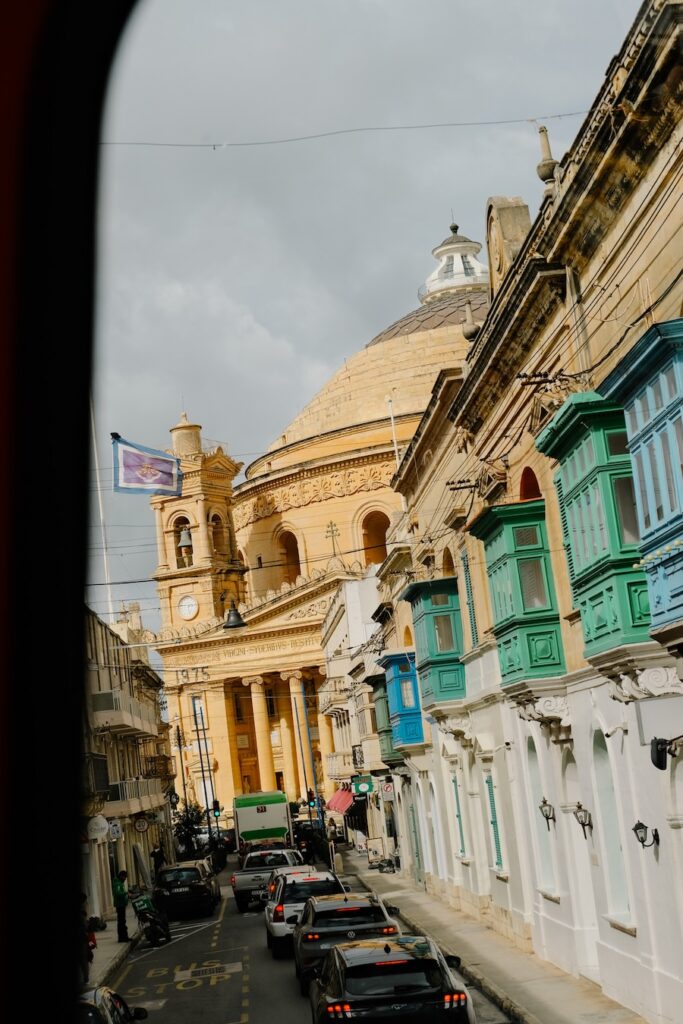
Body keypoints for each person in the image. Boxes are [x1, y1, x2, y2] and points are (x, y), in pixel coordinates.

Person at [113, 870, 129, 943]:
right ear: (121, 876)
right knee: (121, 922)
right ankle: (122, 938)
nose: (125, 879)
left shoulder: (120, 883)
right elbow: (118, 893)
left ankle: (124, 936)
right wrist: (125, 893)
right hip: (120, 905)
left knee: (123, 921)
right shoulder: (118, 884)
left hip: (122, 904)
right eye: (124, 877)